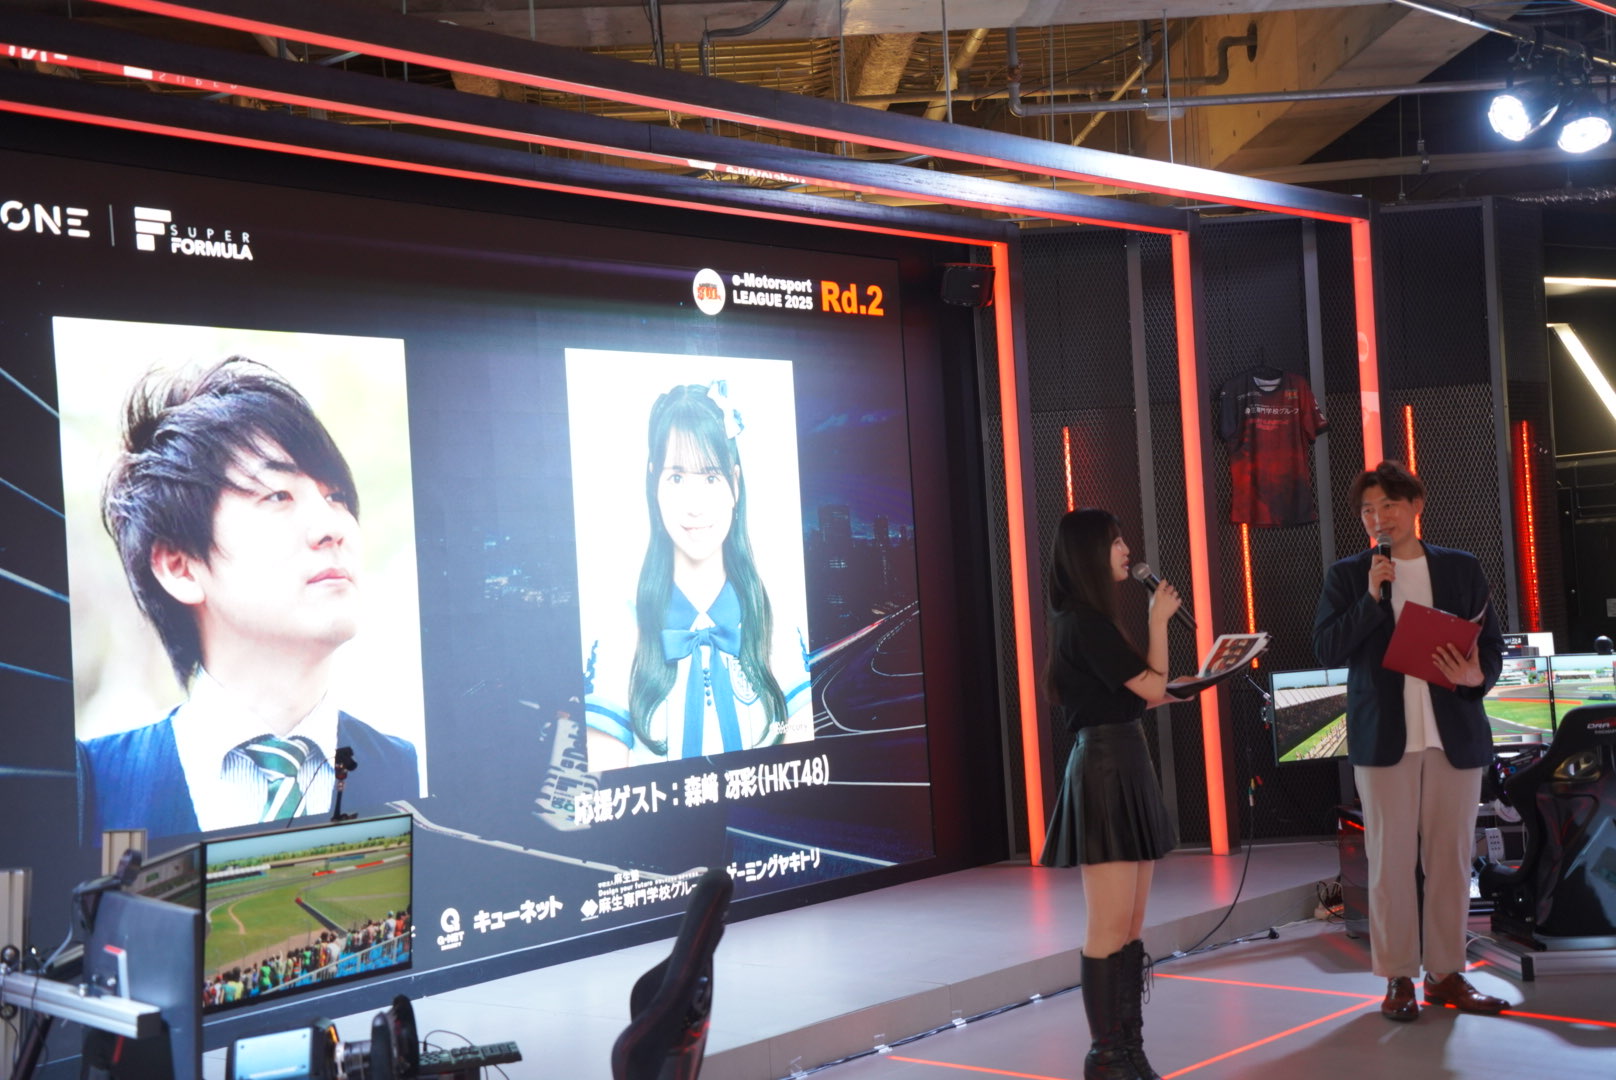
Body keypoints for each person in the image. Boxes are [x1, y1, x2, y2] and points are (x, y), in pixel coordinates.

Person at [78, 358, 419, 841]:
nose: (332, 527)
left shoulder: (410, 772)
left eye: (337, 496)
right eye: (278, 495)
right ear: (180, 567)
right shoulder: (90, 790)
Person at [1313, 461, 1509, 1021]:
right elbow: (1327, 648)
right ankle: (1398, 977)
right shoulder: (1349, 575)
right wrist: (1371, 599)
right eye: (1369, 510)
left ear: (1415, 507)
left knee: (1451, 861)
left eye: (1390, 506)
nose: (1380, 518)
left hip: (1453, 737)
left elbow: (1489, 646)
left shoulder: (1461, 568)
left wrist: (1476, 676)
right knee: (1390, 864)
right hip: (1384, 739)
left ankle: (1446, 974)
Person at [584, 381, 811, 769]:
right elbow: (602, 784)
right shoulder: (621, 631)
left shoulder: (775, 620)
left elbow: (804, 761)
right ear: (654, 483)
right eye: (676, 477)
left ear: (734, 483)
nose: (695, 505)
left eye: (710, 477)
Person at [1038, 508, 1187, 1080]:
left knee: (1130, 925)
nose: (1127, 550)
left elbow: (1143, 693)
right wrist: (1158, 622)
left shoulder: (1093, 621)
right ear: (1089, 555)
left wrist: (1192, 683)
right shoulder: (1082, 623)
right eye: (1116, 541)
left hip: (1125, 758)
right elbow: (1150, 684)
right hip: (1104, 769)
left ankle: (1128, 1051)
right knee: (1109, 925)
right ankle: (1105, 1056)